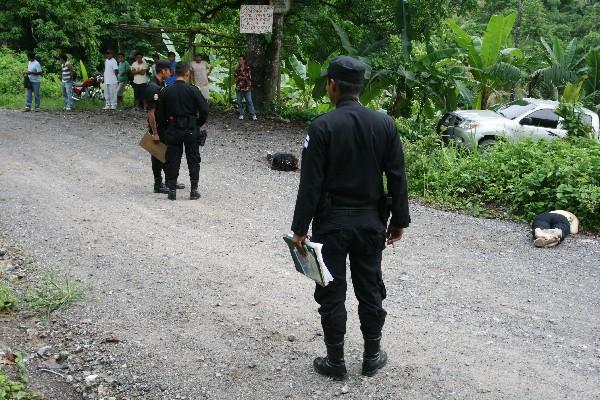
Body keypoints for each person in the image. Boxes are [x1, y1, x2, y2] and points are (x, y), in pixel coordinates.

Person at [290, 56, 410, 379]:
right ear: (361, 87)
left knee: (331, 290)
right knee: (369, 288)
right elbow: (397, 176)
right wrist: (398, 220)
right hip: (371, 222)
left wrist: (299, 229)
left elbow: (310, 185)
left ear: (332, 85)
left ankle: (336, 361)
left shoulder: (322, 127)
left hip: (331, 225)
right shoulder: (385, 125)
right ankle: (372, 356)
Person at [157, 62, 209, 200]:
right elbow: (204, 111)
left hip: (173, 128)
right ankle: (193, 190)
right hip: (191, 128)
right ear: (187, 73)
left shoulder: (166, 91)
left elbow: (160, 115)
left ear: (175, 72)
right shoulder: (193, 90)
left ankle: (172, 190)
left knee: (172, 159)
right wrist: (197, 123)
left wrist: (167, 126)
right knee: (193, 159)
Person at [234, 55, 257, 120]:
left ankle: (253, 115)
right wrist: (241, 78)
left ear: (244, 60)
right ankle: (241, 114)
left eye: (241, 59)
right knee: (239, 101)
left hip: (247, 87)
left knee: (249, 101)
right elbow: (235, 78)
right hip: (239, 87)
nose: (240, 61)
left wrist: (242, 77)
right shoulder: (237, 69)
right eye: (239, 59)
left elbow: (249, 77)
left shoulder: (248, 68)